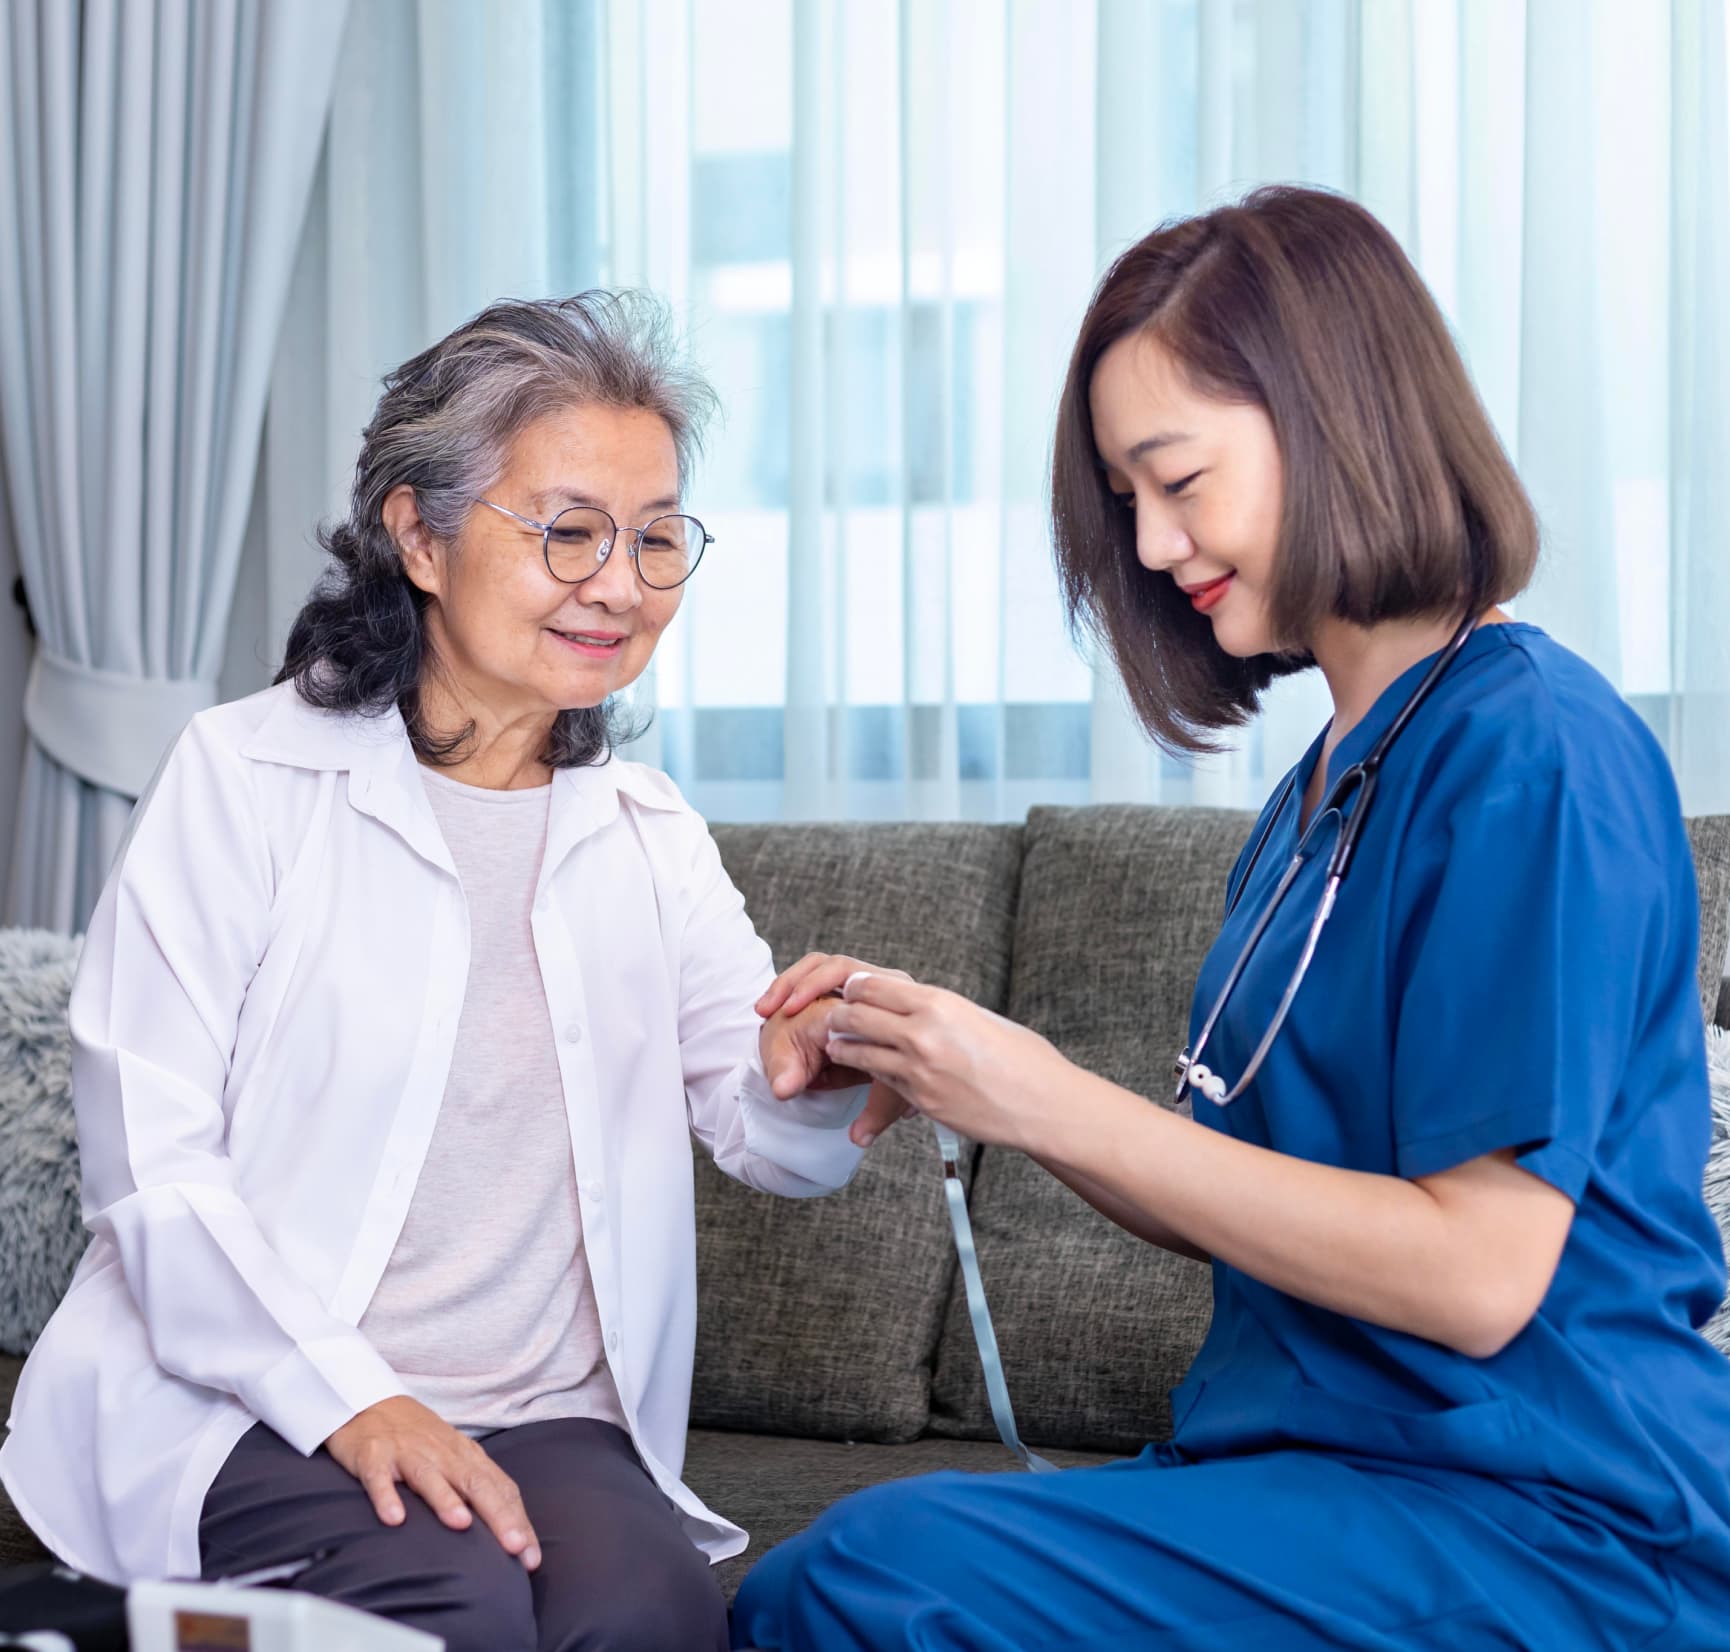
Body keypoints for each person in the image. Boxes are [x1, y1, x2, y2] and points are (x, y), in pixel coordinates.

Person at [731, 187, 1730, 1649]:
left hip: (1548, 1510)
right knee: (824, 1576)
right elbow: (1240, 1190)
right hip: (1326, 1475)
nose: (1146, 546)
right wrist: (977, 1074)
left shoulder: (1531, 756)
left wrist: (1052, 1096)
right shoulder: (1323, 787)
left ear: (1336, 420)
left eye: (1176, 480)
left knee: (868, 1577)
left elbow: (1472, 1273)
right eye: (1125, 499)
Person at [0, 293, 897, 1652]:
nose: (619, 583)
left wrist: (815, 1073)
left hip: (543, 1410)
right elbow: (153, 1168)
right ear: (418, 535)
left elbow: (768, 1133)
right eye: (569, 531)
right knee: (453, 1605)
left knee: (649, 1620)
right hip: (254, 1390)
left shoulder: (645, 836)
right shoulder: (243, 780)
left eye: (658, 539)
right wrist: (352, 1397)